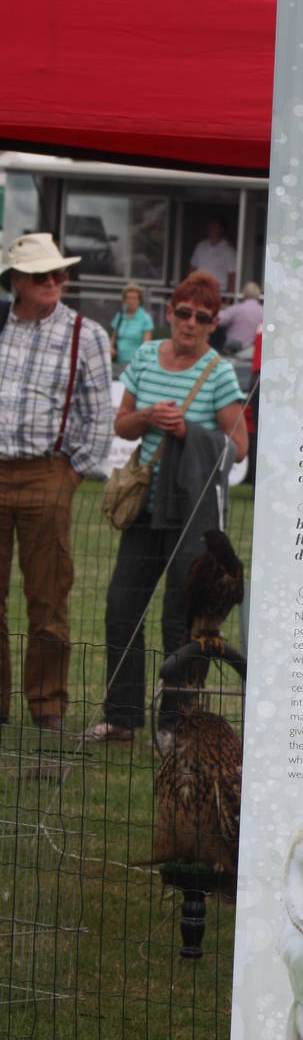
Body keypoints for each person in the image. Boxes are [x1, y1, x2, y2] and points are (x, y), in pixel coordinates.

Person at [85, 271, 247, 747]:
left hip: (190, 522)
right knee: (121, 610)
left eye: (202, 317)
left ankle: (176, 724)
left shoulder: (217, 372)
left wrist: (187, 433)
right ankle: (122, 718)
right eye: (183, 313)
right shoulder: (144, 356)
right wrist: (148, 417)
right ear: (169, 312)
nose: (190, 323)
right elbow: (123, 425)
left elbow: (238, 445)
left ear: (214, 323)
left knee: (180, 620)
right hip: (144, 513)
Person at [0, 232, 112, 731]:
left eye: (59, 274)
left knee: (48, 599)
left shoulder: (83, 333)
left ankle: (47, 710)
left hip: (48, 472)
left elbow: (99, 415)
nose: (54, 283)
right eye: (42, 275)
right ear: (18, 281)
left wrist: (71, 474)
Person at [109, 282, 154, 371]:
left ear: (139, 300)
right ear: (124, 300)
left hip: (135, 365)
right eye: (128, 298)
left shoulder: (145, 318)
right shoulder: (120, 316)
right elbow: (113, 339)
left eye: (134, 298)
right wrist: (110, 349)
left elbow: (146, 346)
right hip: (117, 364)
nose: (131, 301)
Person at [190, 218, 237, 297]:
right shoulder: (201, 246)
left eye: (215, 227)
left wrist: (228, 300)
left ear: (221, 229)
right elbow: (192, 269)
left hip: (219, 293)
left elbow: (232, 276)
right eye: (210, 226)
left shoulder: (228, 250)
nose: (211, 229)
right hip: (200, 291)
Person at [215, 282, 263, 353]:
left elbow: (218, 320)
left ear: (243, 295)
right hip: (254, 352)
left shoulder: (236, 309)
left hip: (234, 352)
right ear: (258, 295)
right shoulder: (263, 311)